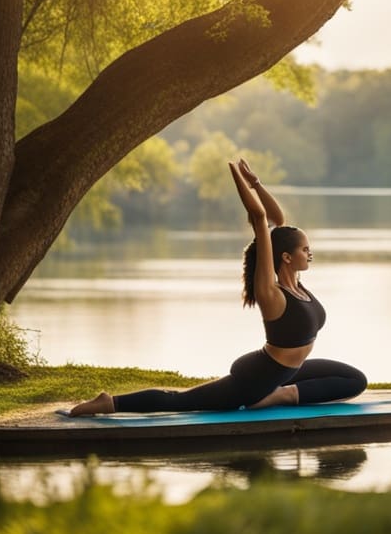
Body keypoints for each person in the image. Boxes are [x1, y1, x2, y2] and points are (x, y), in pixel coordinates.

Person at [66, 158, 367, 416]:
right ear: (286, 257)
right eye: (305, 249)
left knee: (354, 379)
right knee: (182, 402)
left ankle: (281, 394)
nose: (310, 253)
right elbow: (261, 219)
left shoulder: (297, 283)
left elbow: (277, 221)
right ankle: (111, 403)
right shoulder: (271, 293)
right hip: (257, 378)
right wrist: (236, 175)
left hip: (288, 371)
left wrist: (257, 182)